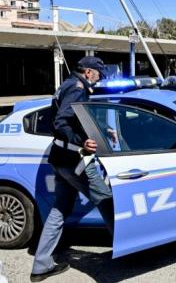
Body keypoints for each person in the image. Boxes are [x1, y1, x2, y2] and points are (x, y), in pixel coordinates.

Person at [30, 56, 114, 282]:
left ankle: (41, 264)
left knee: (60, 210)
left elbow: (78, 119)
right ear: (88, 72)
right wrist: (81, 143)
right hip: (75, 160)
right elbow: (61, 122)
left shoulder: (66, 84)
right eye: (98, 74)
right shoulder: (77, 89)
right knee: (106, 200)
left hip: (60, 159)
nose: (99, 79)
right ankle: (126, 251)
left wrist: (104, 129)